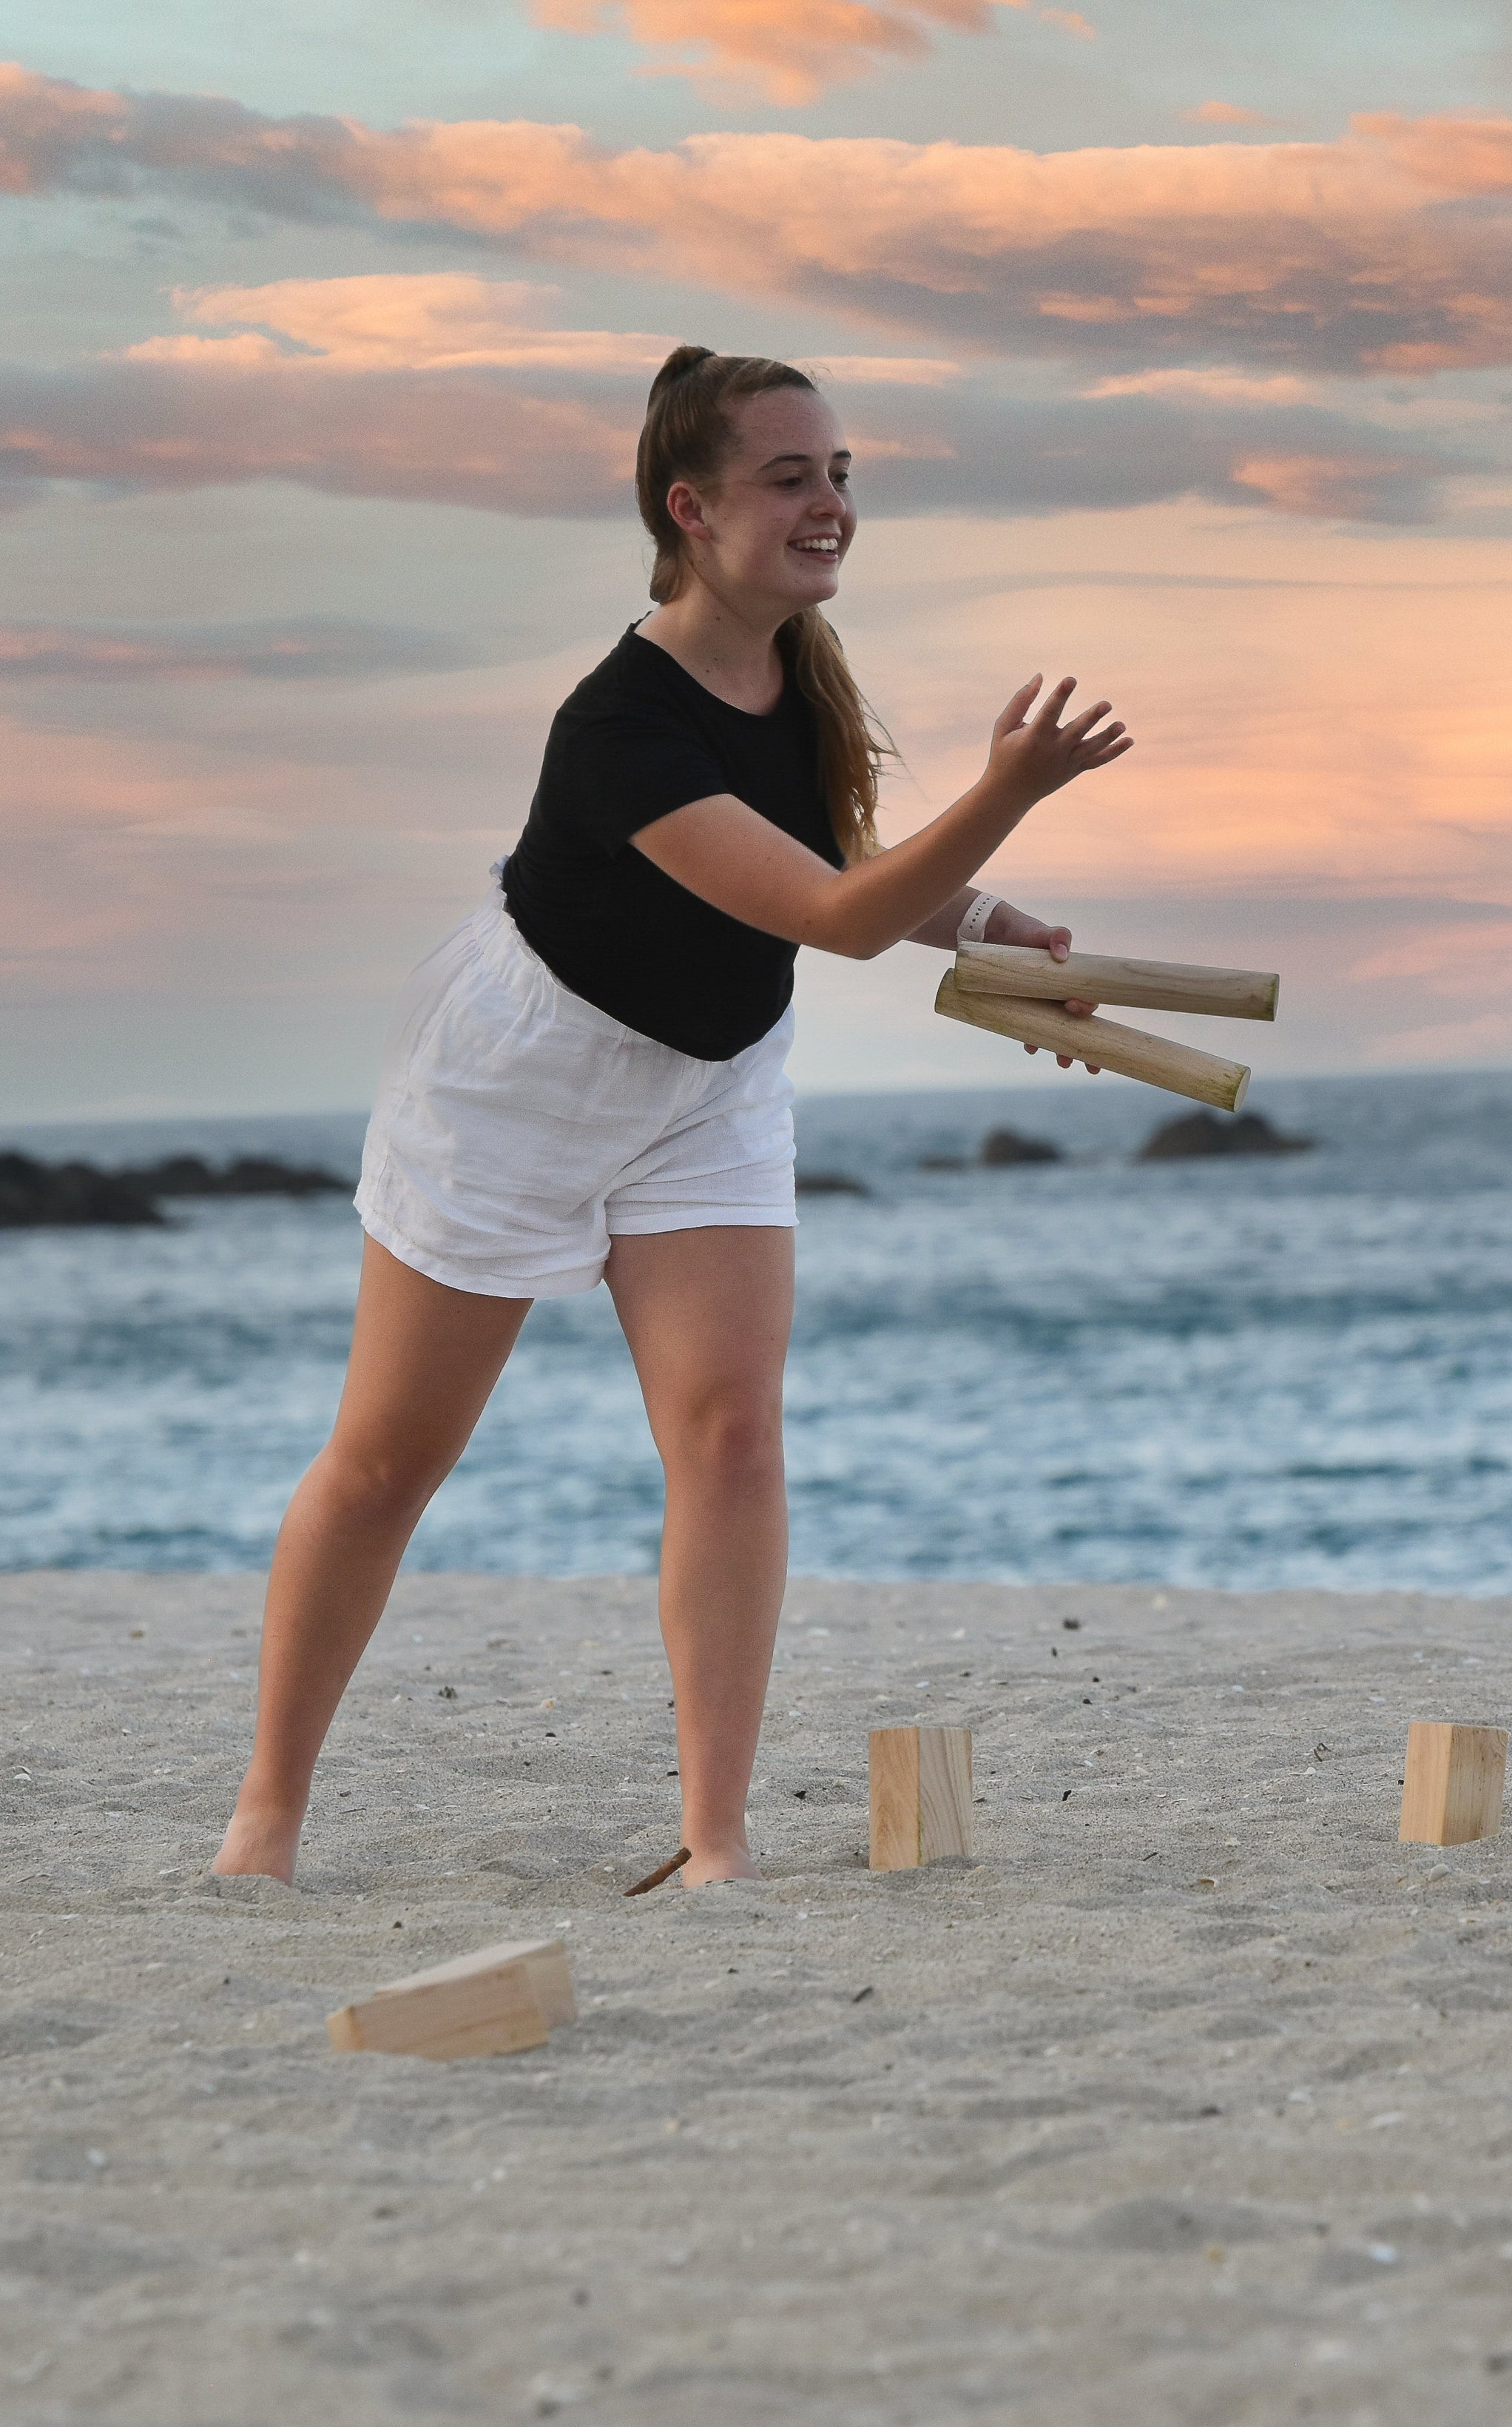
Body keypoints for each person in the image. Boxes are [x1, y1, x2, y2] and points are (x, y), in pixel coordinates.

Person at [214, 346, 1129, 1885]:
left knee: (731, 1436)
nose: (829, 502)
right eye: (790, 475)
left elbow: (837, 873)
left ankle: (716, 1841)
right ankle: (267, 1815)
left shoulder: (797, 677)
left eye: (841, 472)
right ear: (689, 508)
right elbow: (835, 913)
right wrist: (1009, 788)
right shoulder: (619, 725)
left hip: (707, 1083)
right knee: (387, 1460)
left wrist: (991, 928)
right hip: (517, 1074)